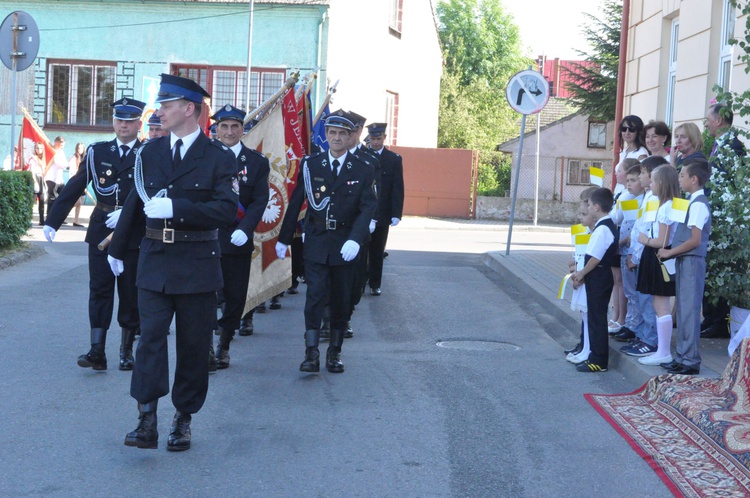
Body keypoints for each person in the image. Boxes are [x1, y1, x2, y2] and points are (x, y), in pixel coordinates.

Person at [107, 74, 237, 451]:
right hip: (154, 260)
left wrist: (177, 208)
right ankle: (146, 418)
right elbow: (136, 200)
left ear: (189, 109)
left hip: (197, 261)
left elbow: (227, 209)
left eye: (167, 104)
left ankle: (183, 419)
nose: (159, 110)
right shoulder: (150, 152)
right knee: (149, 341)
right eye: (160, 104)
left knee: (194, 345)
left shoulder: (216, 157)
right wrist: (117, 250)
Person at [44, 99, 146, 372]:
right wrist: (53, 220)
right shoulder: (97, 152)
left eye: (129, 121)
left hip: (133, 231)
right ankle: (97, 350)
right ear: (113, 122)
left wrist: (128, 214)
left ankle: (126, 351)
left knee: (130, 291)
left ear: (139, 124)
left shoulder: (148, 154)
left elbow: (153, 193)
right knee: (100, 290)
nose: (123, 126)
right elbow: (77, 185)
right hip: (101, 226)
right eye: (119, 120)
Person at [275, 114, 377, 373]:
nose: (337, 138)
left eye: (342, 133)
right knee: (315, 296)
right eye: (332, 132)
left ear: (351, 136)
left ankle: (335, 352)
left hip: (345, 243)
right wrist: (284, 238)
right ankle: (311, 353)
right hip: (318, 242)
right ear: (326, 135)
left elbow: (367, 207)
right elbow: (297, 200)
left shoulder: (363, 167)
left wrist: (356, 239)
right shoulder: (311, 164)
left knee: (342, 299)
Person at [211, 104, 270, 369]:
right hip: (207, 236)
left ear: (243, 129)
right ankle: (203, 344)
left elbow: (259, 200)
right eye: (224, 126)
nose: (229, 131)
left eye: (235, 126)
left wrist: (245, 229)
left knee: (235, 295)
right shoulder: (203, 157)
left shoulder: (256, 162)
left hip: (237, 237)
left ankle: (223, 345)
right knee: (206, 293)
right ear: (216, 129)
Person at [657, 158, 712, 375]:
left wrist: (670, 251)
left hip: (692, 261)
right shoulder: (691, 201)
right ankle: (682, 356)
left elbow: (695, 240)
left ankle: (690, 359)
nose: (679, 179)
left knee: (689, 311)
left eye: (682, 175)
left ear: (694, 179)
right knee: (682, 309)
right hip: (684, 260)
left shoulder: (698, 205)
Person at [700, 102, 745, 339]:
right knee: (710, 269)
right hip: (712, 215)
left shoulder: (735, 146)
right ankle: (711, 318)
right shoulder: (717, 144)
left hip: (725, 219)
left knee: (720, 268)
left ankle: (720, 321)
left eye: (708, 118)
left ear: (719, 120)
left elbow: (736, 182)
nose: (705, 122)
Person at [619, 156, 667, 349]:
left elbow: (648, 230)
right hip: (638, 253)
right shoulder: (648, 196)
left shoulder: (654, 199)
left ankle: (650, 340)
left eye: (643, 174)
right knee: (640, 299)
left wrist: (635, 257)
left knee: (647, 301)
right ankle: (641, 335)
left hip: (644, 255)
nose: (640, 177)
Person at [636, 164, 680, 366]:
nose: (650, 184)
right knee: (658, 304)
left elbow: (662, 241)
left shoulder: (666, 207)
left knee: (660, 305)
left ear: (661, 183)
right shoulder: (670, 204)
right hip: (659, 257)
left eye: (652, 181)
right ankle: (661, 350)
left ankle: (663, 351)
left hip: (659, 257)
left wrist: (644, 239)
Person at [571, 188, 618, 372]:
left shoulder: (603, 229)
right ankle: (592, 355)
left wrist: (581, 273)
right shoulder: (603, 226)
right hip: (598, 275)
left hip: (599, 276)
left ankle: (598, 360)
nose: (587, 208)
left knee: (597, 319)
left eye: (589, 205)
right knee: (594, 317)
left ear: (596, 207)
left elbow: (595, 258)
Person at [366, 122, 405, 296]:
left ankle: (375, 283)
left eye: (378, 138)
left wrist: (396, 213)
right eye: (373, 139)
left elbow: (397, 188)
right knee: (360, 251)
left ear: (384, 138)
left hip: (382, 213)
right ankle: (359, 284)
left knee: (377, 250)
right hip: (363, 213)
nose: (375, 142)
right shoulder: (362, 156)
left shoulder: (393, 159)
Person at [608, 158, 639, 335]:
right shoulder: (622, 191)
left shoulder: (630, 196)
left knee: (624, 285)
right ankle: (617, 317)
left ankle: (623, 319)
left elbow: (617, 217)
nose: (616, 174)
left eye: (620, 170)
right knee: (619, 283)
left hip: (626, 244)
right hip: (621, 241)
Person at [565, 188, 596, 364]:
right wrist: (574, 266)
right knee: (584, 313)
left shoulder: (598, 231)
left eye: (584, 211)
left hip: (589, 277)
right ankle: (584, 346)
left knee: (588, 313)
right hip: (582, 274)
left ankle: (588, 349)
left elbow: (593, 258)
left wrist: (580, 272)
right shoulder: (585, 231)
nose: (580, 216)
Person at [44, 136, 68, 218]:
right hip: (51, 178)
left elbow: (64, 161)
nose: (62, 147)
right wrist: (67, 167)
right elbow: (58, 162)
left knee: (63, 196)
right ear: (56, 143)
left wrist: (67, 165)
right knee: (52, 198)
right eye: (61, 145)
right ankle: (49, 216)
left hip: (59, 179)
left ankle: (58, 216)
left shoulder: (61, 151)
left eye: (63, 145)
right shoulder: (52, 151)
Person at [27, 142, 47, 225]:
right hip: (35, 179)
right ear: (35, 149)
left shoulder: (42, 159)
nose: (39, 150)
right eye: (37, 148)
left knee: (42, 201)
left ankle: (41, 220)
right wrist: (35, 181)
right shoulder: (33, 158)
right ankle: (27, 220)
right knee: (32, 201)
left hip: (41, 179)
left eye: (41, 148)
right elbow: (32, 171)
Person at [68, 142, 87, 227]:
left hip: (82, 183)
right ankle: (61, 214)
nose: (80, 150)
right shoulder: (73, 158)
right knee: (77, 202)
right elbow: (72, 172)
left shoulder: (84, 158)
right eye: (78, 148)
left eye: (81, 148)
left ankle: (76, 220)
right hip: (75, 183)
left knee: (79, 203)